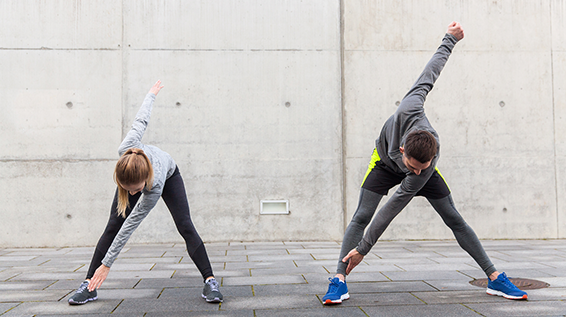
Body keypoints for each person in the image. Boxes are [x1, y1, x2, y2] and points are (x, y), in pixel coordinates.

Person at [322, 22, 528, 305]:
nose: (416, 172)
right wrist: (450, 39)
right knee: (362, 215)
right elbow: (431, 72)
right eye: (414, 166)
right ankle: (339, 280)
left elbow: (394, 207)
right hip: (383, 163)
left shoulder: (425, 166)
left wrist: (364, 249)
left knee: (454, 218)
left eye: (423, 167)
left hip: (414, 164)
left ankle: (495, 278)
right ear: (403, 149)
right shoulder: (410, 106)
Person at [68, 80, 223, 305]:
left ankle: (210, 281)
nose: (132, 195)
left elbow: (131, 226)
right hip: (137, 172)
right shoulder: (126, 150)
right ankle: (88, 285)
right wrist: (151, 95)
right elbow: (141, 121)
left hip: (170, 175)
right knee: (113, 225)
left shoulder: (155, 184)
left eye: (136, 191)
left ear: (145, 182)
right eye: (127, 189)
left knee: (185, 225)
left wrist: (107, 263)